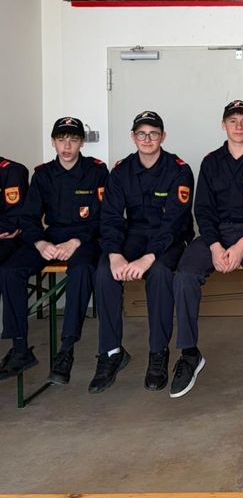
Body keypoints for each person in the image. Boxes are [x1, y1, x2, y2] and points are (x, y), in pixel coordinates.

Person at [171, 100, 243, 398]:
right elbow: (202, 211)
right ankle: (189, 353)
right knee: (184, 275)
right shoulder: (211, 162)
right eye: (233, 121)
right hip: (215, 234)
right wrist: (217, 247)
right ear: (223, 125)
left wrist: (242, 245)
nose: (239, 126)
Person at [88, 111, 195, 394]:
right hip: (133, 234)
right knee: (104, 272)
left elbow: (175, 222)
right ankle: (111, 353)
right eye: (141, 134)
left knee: (159, 273)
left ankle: (158, 354)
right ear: (133, 137)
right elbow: (110, 217)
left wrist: (149, 257)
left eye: (153, 133)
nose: (147, 139)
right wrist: (114, 254)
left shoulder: (179, 170)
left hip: (169, 238)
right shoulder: (121, 171)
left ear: (163, 136)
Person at [0, 117, 108, 384]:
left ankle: (66, 350)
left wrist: (76, 242)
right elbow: (27, 217)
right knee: (10, 270)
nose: (67, 146)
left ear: (81, 142)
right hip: (51, 238)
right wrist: (41, 243)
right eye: (61, 140)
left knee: (82, 270)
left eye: (73, 139)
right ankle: (21, 348)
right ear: (53, 142)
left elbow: (104, 217)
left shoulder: (97, 171)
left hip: (85, 239)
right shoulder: (43, 174)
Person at [0, 155, 29, 379]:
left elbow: (13, 221)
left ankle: (20, 348)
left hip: (9, 243)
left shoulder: (11, 170)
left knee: (9, 273)